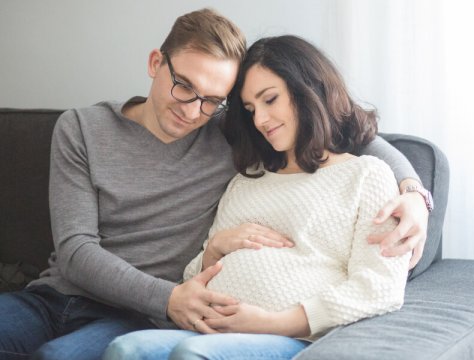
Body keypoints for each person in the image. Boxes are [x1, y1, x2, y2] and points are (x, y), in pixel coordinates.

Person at [0, 9, 429, 360]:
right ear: (155, 64)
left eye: (212, 100)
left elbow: (350, 129)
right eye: (183, 86)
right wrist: (178, 291)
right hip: (55, 296)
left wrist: (412, 193)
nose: (192, 110)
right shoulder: (82, 128)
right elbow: (76, 251)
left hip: (136, 316)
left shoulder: (229, 132)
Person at [102, 34, 423, 360]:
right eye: (250, 108)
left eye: (270, 100)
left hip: (291, 336)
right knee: (125, 349)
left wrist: (275, 322)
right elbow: (192, 277)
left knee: (192, 354)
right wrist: (213, 251)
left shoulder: (366, 176)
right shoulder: (246, 181)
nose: (260, 120)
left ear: (308, 90)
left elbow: (380, 287)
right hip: (206, 329)